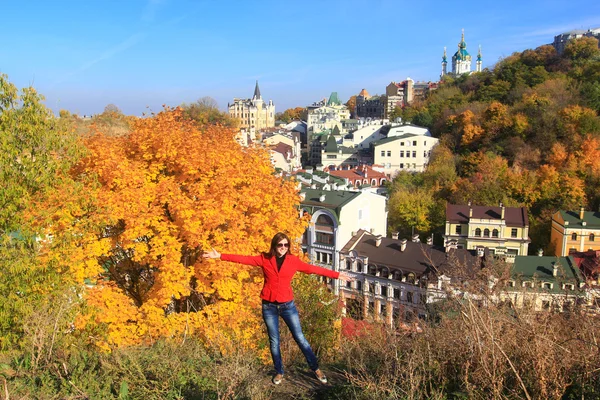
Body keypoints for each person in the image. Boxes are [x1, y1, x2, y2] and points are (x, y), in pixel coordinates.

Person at [203, 232, 354, 385]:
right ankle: (279, 372)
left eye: (286, 245)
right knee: (274, 340)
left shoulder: (293, 261)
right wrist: (220, 255)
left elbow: (313, 269)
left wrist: (336, 275)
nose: (283, 247)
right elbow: (244, 259)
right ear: (274, 246)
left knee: (300, 338)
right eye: (280, 245)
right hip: (269, 306)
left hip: (288, 305)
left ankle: (315, 369)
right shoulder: (265, 259)